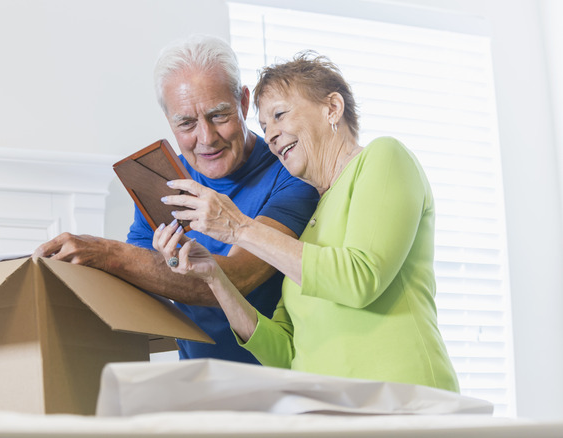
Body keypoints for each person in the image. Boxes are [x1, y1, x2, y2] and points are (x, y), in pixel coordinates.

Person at [153, 50, 460, 392]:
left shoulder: (384, 157)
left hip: (405, 404)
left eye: (280, 115)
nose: (270, 136)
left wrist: (239, 227)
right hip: (331, 413)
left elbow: (360, 278)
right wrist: (214, 277)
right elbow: (284, 351)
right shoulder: (311, 221)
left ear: (332, 108)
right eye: (265, 127)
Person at [33, 35, 319, 363]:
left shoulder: (290, 171)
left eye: (219, 115)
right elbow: (137, 284)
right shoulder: (163, 180)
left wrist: (107, 253)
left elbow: (240, 277)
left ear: (242, 102)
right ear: (169, 121)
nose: (206, 138)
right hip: (197, 377)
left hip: (282, 374)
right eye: (186, 123)